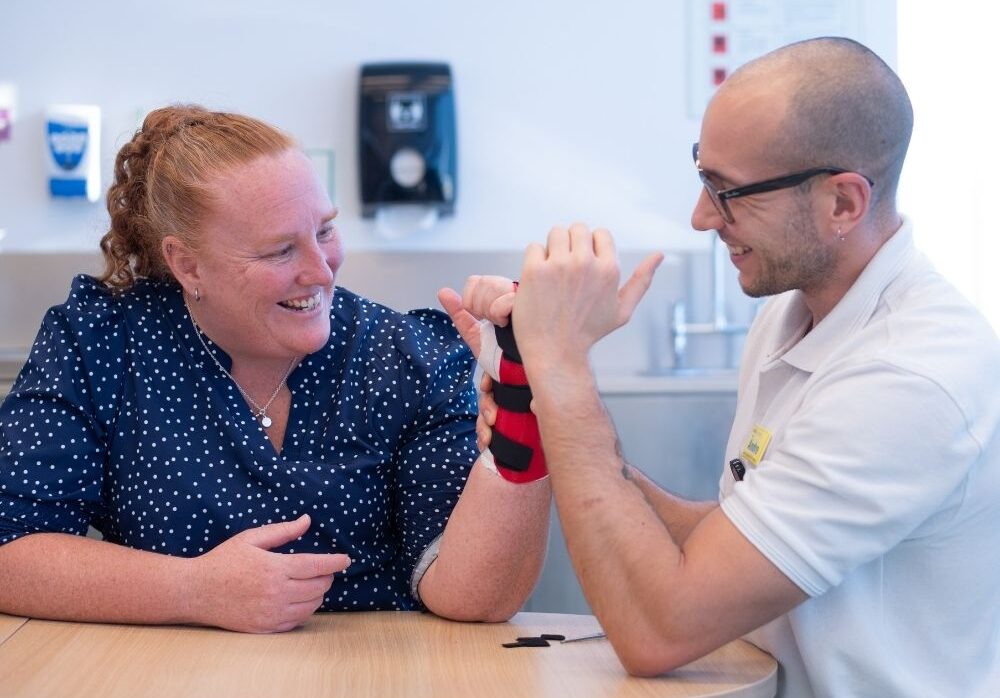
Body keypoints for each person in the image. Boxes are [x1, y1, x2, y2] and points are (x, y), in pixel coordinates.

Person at [446, 38, 1000, 697]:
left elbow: (659, 629)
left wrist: (562, 371)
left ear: (843, 204)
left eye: (730, 191)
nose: (701, 216)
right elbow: (735, 544)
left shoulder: (909, 378)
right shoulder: (792, 313)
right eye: (703, 176)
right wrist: (547, 407)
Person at [0, 105, 550, 633]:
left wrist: (524, 399)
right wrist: (193, 590)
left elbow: (475, 598)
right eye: (279, 251)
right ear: (188, 264)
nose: (321, 271)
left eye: (326, 231)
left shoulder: (403, 359)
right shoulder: (102, 343)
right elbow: (11, 548)